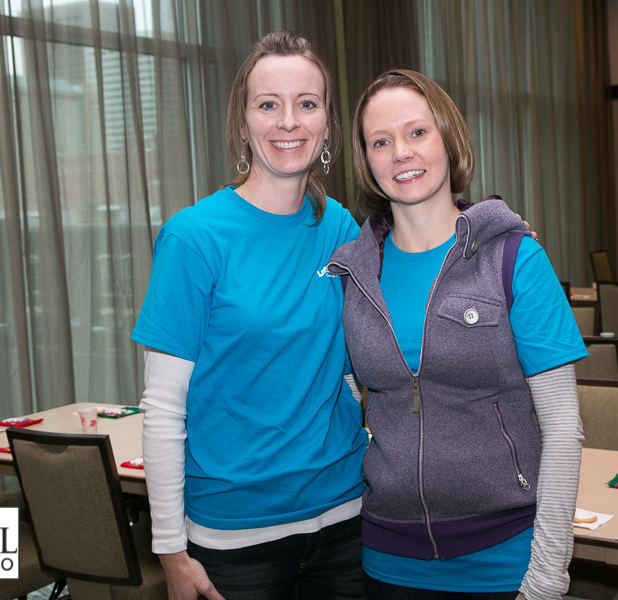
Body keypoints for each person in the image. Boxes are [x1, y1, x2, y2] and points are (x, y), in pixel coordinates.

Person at [327, 69, 587, 600]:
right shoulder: (353, 274)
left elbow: (563, 429)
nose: (401, 152)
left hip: (505, 557)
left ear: (449, 138)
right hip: (386, 558)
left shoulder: (514, 258)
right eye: (381, 141)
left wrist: (547, 576)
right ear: (367, 161)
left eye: (417, 132)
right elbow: (352, 395)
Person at [131, 31, 368, 600]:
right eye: (268, 104)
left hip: (349, 521)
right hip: (235, 538)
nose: (288, 121)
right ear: (242, 123)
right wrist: (170, 550)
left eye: (306, 104)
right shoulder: (194, 237)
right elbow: (163, 407)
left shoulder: (341, 228)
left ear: (327, 124)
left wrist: (483, 236)